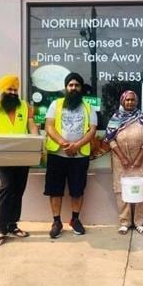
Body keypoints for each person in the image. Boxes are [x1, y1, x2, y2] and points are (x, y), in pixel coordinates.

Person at [0, 74, 40, 246]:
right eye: (10, 89)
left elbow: (32, 125)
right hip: (3, 155)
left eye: (15, 89)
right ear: (3, 90)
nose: (13, 92)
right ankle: (1, 229)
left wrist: (37, 144)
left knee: (19, 189)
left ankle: (13, 225)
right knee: (7, 188)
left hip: (23, 155)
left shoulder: (25, 106)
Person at [44, 72, 97, 238]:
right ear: (66, 88)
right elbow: (49, 127)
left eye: (77, 85)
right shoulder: (56, 104)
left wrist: (77, 146)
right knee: (55, 190)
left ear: (81, 88)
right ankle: (56, 221)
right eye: (70, 85)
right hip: (57, 155)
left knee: (77, 190)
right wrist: (64, 144)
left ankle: (75, 220)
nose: (73, 88)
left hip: (79, 156)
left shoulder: (89, 107)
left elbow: (92, 130)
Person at [104, 90, 143, 235]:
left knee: (142, 189)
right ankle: (125, 222)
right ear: (122, 101)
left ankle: (139, 223)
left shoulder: (142, 118)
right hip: (121, 161)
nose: (130, 102)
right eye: (127, 100)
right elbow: (110, 140)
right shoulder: (115, 118)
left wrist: (140, 156)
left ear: (136, 102)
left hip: (141, 160)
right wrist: (122, 157)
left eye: (133, 100)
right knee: (121, 190)